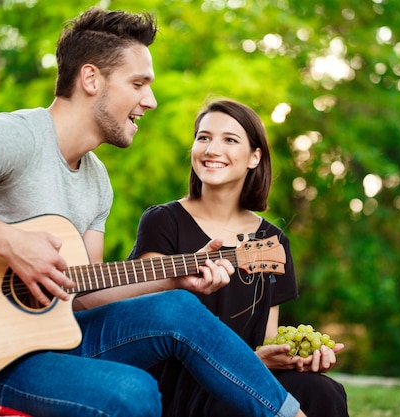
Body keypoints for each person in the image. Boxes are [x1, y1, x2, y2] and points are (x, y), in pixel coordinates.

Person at [0, 7, 308, 417]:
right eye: (139, 83)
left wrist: (174, 277)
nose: (151, 100)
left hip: (49, 338)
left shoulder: (97, 180)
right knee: (133, 391)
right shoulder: (21, 135)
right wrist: (10, 243)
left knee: (178, 306)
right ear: (91, 78)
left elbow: (84, 294)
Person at [128, 98, 350, 416]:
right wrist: (250, 365)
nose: (211, 149)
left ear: (254, 157)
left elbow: (267, 339)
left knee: (322, 391)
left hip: (248, 379)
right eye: (203, 137)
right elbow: (144, 316)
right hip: (182, 387)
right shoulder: (163, 221)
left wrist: (292, 357)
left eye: (229, 140)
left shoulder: (272, 241)